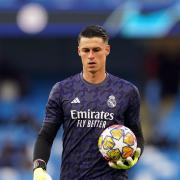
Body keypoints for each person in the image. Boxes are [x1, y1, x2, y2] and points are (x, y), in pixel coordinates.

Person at [33, 25, 144, 180]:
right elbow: (46, 136)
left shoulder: (127, 91)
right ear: (79, 51)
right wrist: (39, 168)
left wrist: (133, 158)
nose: (91, 56)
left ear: (107, 50)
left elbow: (137, 134)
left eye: (96, 50)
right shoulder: (62, 90)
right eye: (86, 50)